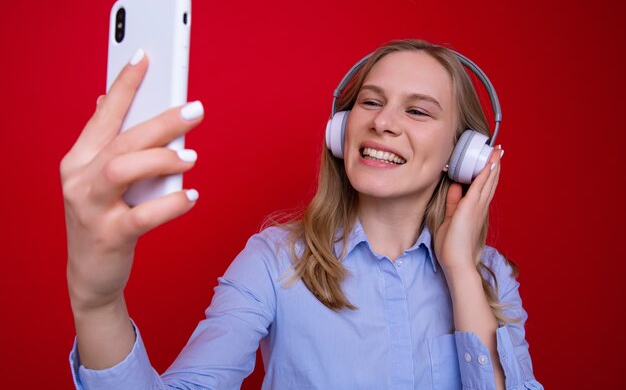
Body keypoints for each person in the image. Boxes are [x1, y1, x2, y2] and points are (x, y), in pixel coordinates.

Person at [63, 39, 543, 390]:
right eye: (370, 102)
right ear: (340, 129)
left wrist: (461, 271)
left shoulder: (490, 276)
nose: (382, 121)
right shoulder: (274, 260)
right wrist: (98, 304)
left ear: (462, 155)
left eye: (418, 112)